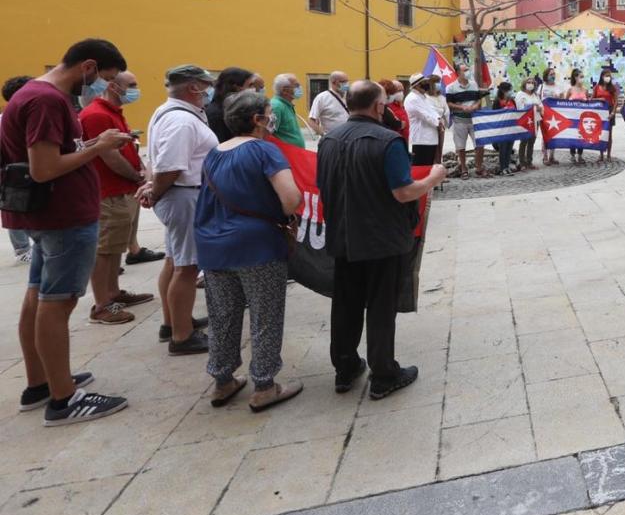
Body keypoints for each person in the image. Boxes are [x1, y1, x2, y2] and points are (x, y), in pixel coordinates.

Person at [1, 38, 132, 425]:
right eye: (103, 79)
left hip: (50, 216)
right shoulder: (48, 100)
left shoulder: (32, 94)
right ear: (88, 66)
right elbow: (44, 168)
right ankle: (64, 400)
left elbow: (52, 152)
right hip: (63, 216)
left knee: (39, 297)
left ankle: (41, 382)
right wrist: (99, 147)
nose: (99, 88)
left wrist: (92, 142)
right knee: (57, 303)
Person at [317, 81, 446, 400]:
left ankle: (345, 368)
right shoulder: (387, 141)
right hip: (381, 239)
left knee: (345, 303)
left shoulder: (328, 140)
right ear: (378, 107)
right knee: (380, 306)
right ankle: (383, 372)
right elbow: (403, 192)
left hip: (343, 236)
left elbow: (323, 184)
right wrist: (432, 178)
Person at [195, 91, 305, 410]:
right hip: (256, 245)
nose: (273, 120)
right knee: (265, 314)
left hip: (213, 244)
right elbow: (291, 198)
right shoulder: (264, 151)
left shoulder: (214, 152)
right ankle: (265, 385)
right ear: (257, 119)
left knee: (223, 315)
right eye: (269, 114)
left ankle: (222, 380)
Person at [141, 65, 219, 356]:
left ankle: (173, 321)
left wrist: (152, 188)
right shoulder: (181, 121)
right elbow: (171, 165)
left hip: (179, 194)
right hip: (184, 196)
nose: (209, 90)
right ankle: (182, 337)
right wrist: (154, 191)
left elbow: (154, 158)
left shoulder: (170, 113)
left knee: (175, 261)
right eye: (206, 85)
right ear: (193, 88)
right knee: (187, 267)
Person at [78, 70, 152, 325]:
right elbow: (109, 157)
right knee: (105, 250)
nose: (135, 89)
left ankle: (113, 292)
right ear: (113, 86)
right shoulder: (97, 114)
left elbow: (126, 148)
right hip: (108, 191)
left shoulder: (112, 112)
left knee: (116, 246)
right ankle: (102, 304)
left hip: (121, 190)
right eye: (131, 85)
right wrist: (136, 176)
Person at [2, 75, 34, 262]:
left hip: (24, 171)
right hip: (13, 174)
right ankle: (22, 249)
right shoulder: (7, 119)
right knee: (14, 207)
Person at [446, 63, 489, 178]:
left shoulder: (474, 84)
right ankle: (463, 168)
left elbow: (479, 99)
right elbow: (449, 103)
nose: (467, 72)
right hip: (459, 119)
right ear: (458, 72)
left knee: (480, 144)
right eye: (465, 70)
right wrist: (461, 107)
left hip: (474, 119)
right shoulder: (451, 87)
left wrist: (475, 106)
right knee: (461, 146)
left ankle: (479, 167)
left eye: (468, 69)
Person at [205, 67, 256, 143]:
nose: (254, 89)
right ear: (236, 87)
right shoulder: (217, 114)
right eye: (250, 85)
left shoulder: (234, 109)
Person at [405, 75, 444, 166]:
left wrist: (439, 119)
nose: (427, 85)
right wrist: (438, 122)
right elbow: (424, 115)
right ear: (417, 85)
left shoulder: (423, 97)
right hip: (421, 138)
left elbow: (432, 111)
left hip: (430, 137)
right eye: (424, 83)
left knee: (428, 165)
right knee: (420, 166)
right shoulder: (412, 98)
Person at [308, 71, 350, 137]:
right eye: (343, 82)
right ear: (333, 82)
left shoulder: (350, 96)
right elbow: (311, 120)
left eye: (347, 81)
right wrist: (324, 135)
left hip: (349, 138)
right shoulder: (322, 98)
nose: (346, 84)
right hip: (332, 139)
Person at [269, 74, 305, 148]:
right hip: (284, 155)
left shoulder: (286, 105)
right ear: (284, 90)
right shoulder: (276, 106)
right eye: (296, 85)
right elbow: (268, 134)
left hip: (294, 154)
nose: (300, 88)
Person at [514, 77, 542, 171]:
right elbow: (520, 107)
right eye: (528, 82)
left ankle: (529, 161)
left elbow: (540, 106)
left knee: (532, 142)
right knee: (524, 141)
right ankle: (522, 162)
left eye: (532, 83)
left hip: (535, 121)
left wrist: (538, 107)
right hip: (525, 121)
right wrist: (532, 106)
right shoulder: (520, 94)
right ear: (524, 83)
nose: (530, 84)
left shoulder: (535, 95)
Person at [593, 70, 618, 162]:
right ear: (602, 76)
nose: (608, 77)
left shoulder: (612, 88)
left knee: (609, 134)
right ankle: (601, 154)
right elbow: (592, 99)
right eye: (607, 76)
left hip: (609, 111)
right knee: (600, 134)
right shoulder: (597, 87)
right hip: (599, 112)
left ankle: (609, 155)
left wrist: (613, 112)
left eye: (610, 76)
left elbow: (615, 101)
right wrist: (599, 99)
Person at [493, 82, 517, 175]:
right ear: (503, 91)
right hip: (502, 129)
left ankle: (507, 166)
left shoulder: (512, 100)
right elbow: (495, 115)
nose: (511, 92)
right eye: (509, 90)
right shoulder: (497, 101)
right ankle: (502, 168)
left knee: (509, 148)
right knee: (503, 148)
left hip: (511, 128)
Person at [540, 69, 563, 165]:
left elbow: (562, 99)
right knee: (545, 135)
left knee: (554, 134)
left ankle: (552, 156)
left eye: (554, 74)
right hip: (544, 113)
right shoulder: (542, 86)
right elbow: (538, 99)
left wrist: (560, 96)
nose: (553, 76)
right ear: (546, 75)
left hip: (555, 114)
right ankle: (545, 156)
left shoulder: (558, 87)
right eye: (551, 74)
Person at [567, 70, 589, 164]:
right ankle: (572, 155)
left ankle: (580, 155)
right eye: (581, 76)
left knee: (582, 136)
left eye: (583, 76)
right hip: (572, 117)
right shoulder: (570, 90)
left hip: (582, 118)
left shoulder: (585, 90)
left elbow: (589, 102)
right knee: (573, 136)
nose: (582, 79)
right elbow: (564, 103)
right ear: (575, 77)